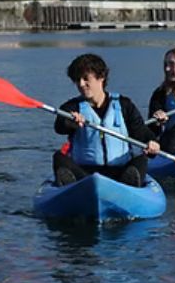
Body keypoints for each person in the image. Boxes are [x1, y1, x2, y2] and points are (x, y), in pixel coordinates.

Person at [52, 53, 160, 187]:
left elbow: (141, 133)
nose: (81, 84)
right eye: (77, 80)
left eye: (86, 79)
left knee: (141, 160)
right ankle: (72, 188)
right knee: (58, 157)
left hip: (119, 172)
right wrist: (71, 122)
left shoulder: (124, 105)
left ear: (101, 77)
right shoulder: (71, 107)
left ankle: (129, 185)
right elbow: (59, 127)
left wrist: (152, 143)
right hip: (85, 174)